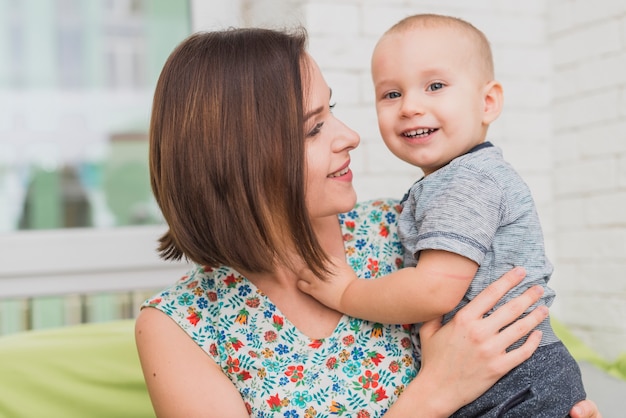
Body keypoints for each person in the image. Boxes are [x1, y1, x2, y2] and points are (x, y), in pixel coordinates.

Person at [134, 27, 600, 417]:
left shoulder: (402, 231)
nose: (351, 137)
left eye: (331, 111)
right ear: (239, 164)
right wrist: (433, 393)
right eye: (314, 128)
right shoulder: (182, 327)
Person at [297, 13, 588, 417]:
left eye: (435, 86)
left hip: (518, 379)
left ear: (487, 102)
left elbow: (434, 291)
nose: (411, 107)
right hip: (502, 374)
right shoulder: (453, 179)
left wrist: (347, 293)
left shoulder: (467, 180)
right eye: (391, 94)